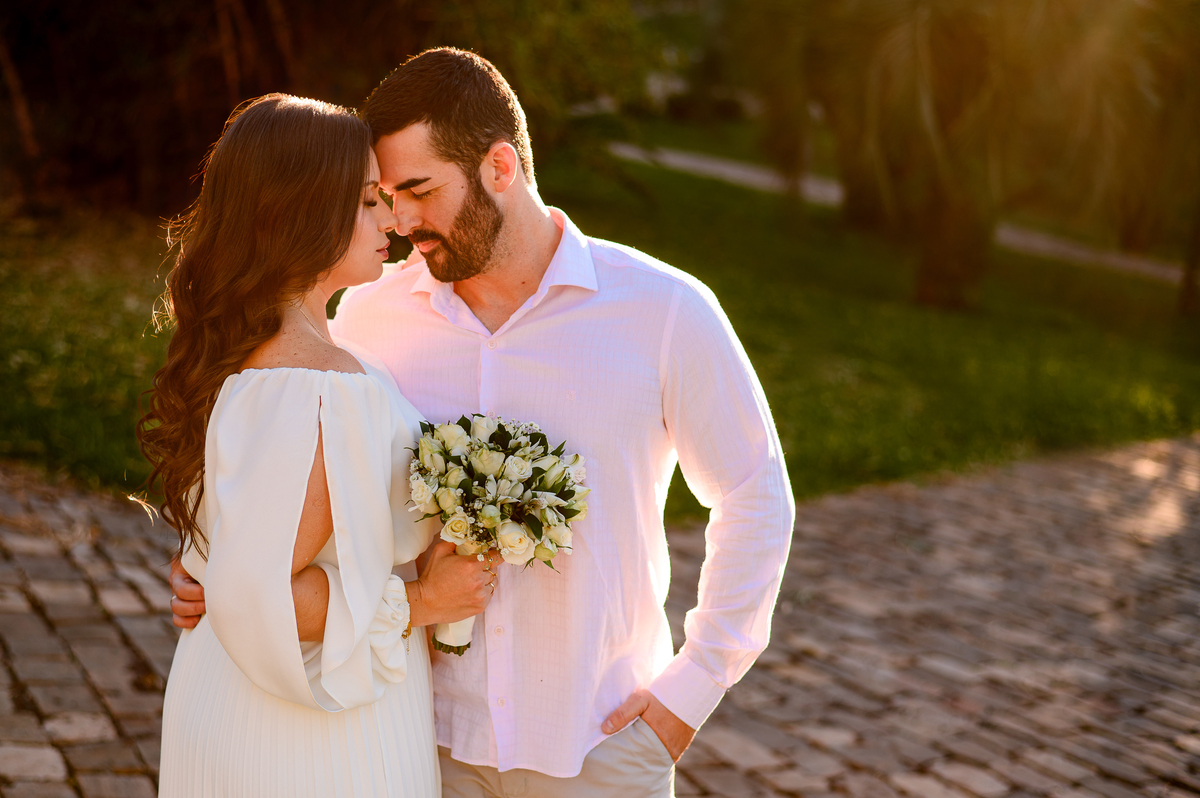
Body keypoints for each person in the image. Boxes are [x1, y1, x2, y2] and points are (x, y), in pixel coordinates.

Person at [173, 50, 794, 797]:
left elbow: (756, 496)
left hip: (595, 745)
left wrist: (685, 698)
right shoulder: (366, 313)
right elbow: (294, 445)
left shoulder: (664, 312)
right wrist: (219, 559)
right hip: (418, 740)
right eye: (385, 196)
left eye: (418, 190)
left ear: (500, 168)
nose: (400, 221)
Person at [142, 93, 498, 798]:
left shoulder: (249, 352)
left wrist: (209, 572)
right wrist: (426, 602)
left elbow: (243, 554)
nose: (392, 219)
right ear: (303, 212)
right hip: (307, 728)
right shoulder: (318, 383)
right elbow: (269, 591)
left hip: (237, 693)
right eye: (369, 201)